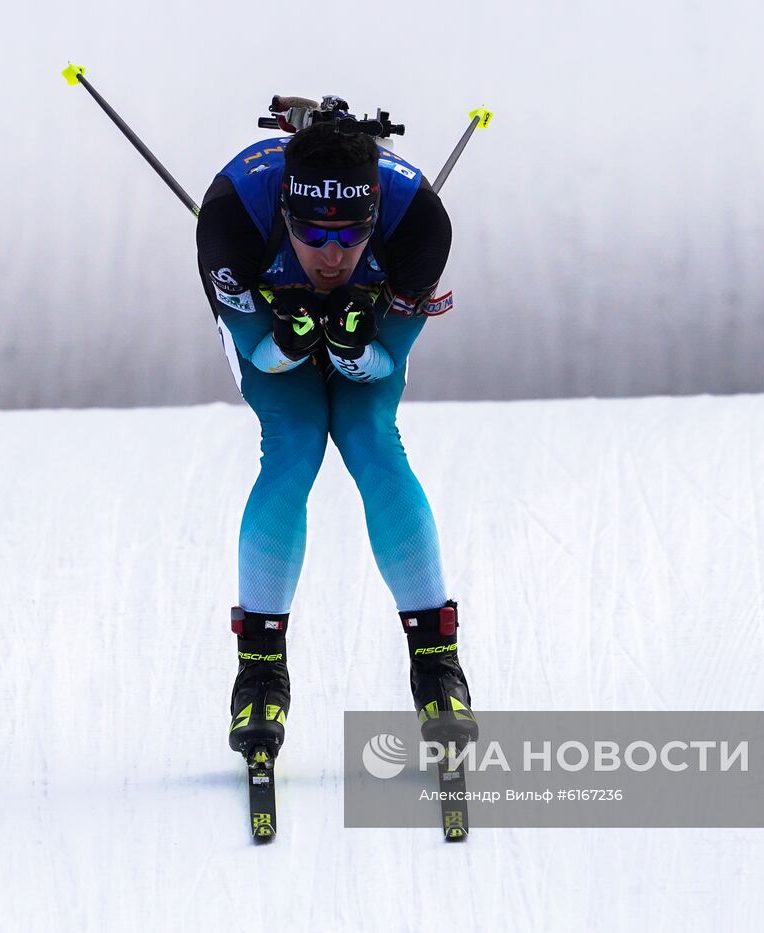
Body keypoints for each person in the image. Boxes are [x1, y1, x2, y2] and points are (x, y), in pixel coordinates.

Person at [195, 114, 478, 760]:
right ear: (284, 211)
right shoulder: (231, 216)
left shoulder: (419, 224)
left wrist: (354, 349)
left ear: (376, 213)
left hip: (369, 312)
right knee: (294, 440)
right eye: (311, 232)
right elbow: (258, 354)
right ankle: (260, 674)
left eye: (350, 234)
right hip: (268, 315)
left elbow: (385, 365)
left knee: (368, 434)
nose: (331, 254)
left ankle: (438, 667)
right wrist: (288, 340)